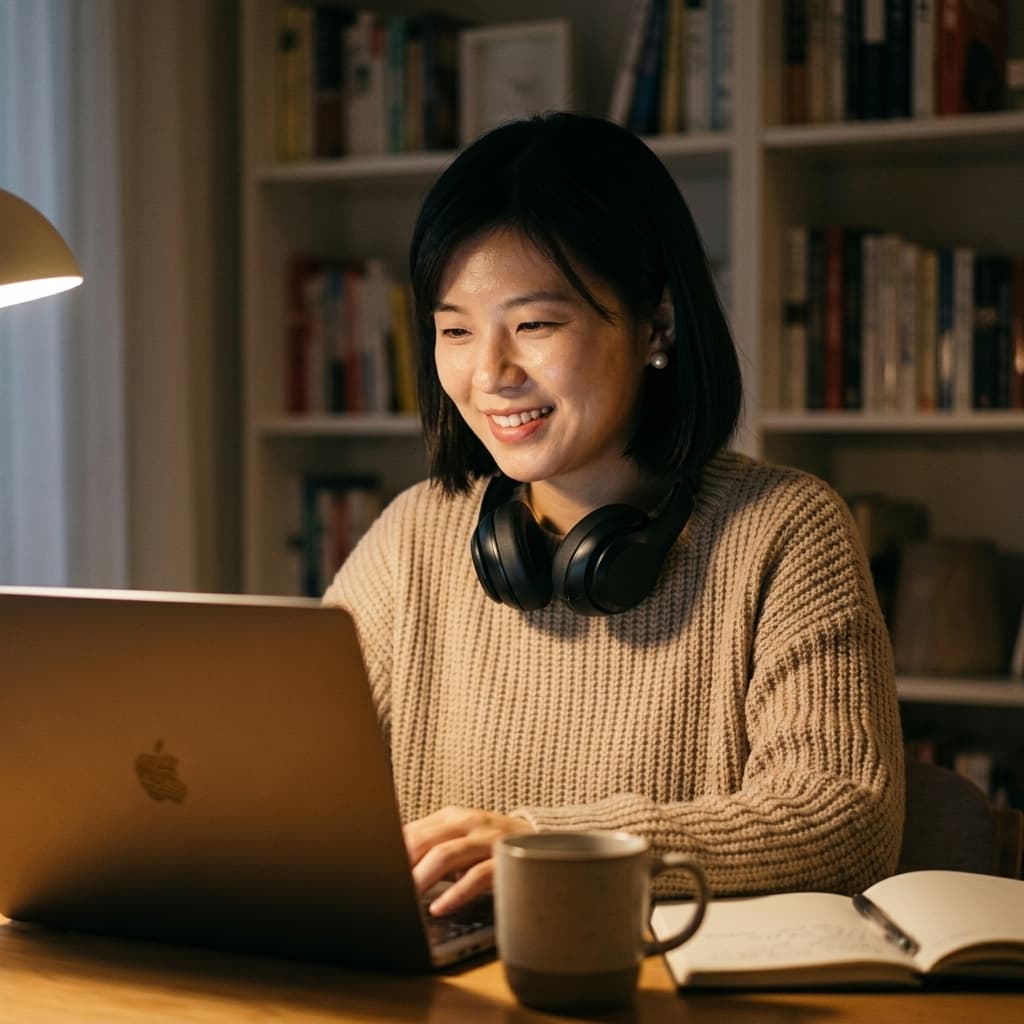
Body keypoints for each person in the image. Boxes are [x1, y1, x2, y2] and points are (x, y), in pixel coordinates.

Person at [323, 112, 904, 918]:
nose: (489, 373)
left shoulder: (783, 529)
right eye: (454, 330)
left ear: (656, 326)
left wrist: (547, 847)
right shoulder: (418, 532)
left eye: (534, 325)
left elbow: (842, 815)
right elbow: (286, 773)